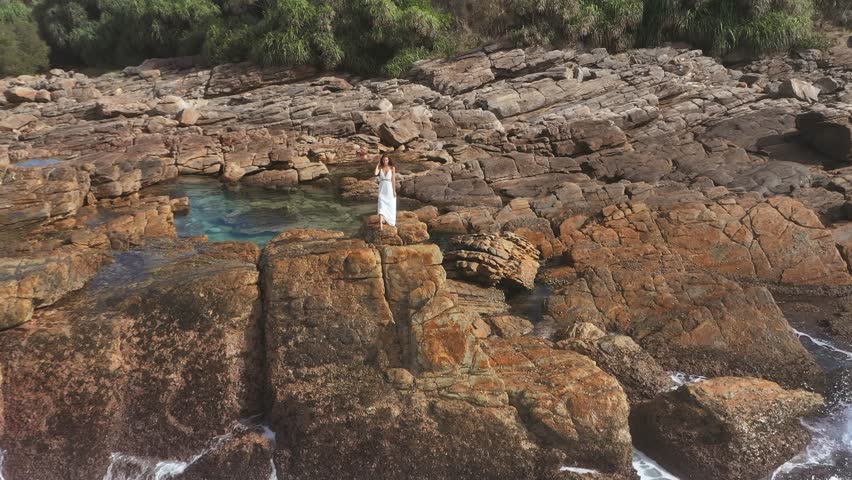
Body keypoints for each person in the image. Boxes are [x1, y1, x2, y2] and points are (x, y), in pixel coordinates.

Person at [373, 155, 397, 230]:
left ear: (389, 160)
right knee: (381, 204)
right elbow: (375, 173)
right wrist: (377, 165)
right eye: (383, 160)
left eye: (386, 160)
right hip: (382, 187)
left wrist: (394, 190)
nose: (385, 161)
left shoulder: (392, 168)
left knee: (391, 204)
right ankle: (380, 225)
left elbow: (393, 179)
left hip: (389, 187)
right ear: (382, 160)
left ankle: (388, 219)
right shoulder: (380, 167)